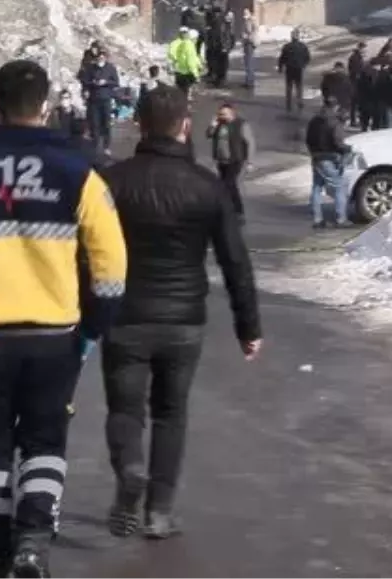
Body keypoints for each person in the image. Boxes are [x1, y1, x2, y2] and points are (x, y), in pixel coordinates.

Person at [0, 59, 127, 579]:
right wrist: (92, 328)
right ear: (46, 105)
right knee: (44, 441)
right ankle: (34, 542)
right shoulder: (78, 172)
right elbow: (111, 263)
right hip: (53, 335)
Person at [101, 84, 261, 540]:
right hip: (184, 319)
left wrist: (84, 310)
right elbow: (235, 260)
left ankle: (130, 468)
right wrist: (248, 326)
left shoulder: (112, 182)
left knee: (125, 409)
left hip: (124, 315)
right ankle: (159, 512)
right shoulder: (207, 187)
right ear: (185, 126)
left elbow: (85, 251)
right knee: (171, 413)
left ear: (139, 124)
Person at [206, 102, 256, 223]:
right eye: (220, 114)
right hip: (221, 160)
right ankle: (227, 210)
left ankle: (238, 211)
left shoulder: (241, 124)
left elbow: (250, 143)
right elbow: (208, 135)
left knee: (229, 184)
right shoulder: (219, 123)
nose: (221, 116)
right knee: (224, 185)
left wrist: (250, 161)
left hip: (235, 159)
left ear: (231, 114)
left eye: (224, 114)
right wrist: (212, 125)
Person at [305, 100, 352, 228]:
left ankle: (317, 218)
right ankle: (341, 218)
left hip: (316, 158)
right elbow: (337, 142)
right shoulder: (334, 123)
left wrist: (313, 152)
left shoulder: (314, 121)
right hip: (329, 158)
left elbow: (308, 140)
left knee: (316, 187)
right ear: (335, 107)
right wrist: (347, 149)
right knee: (339, 186)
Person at [78, 48, 120, 154]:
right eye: (99, 57)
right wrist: (90, 85)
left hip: (106, 99)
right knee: (95, 124)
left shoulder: (111, 68)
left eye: (103, 56)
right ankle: (95, 145)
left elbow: (116, 82)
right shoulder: (91, 68)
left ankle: (106, 146)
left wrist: (106, 82)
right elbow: (85, 82)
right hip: (94, 100)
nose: (101, 58)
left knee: (106, 123)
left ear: (105, 57)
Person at [277, 29, 311, 113]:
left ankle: (288, 104)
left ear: (291, 37)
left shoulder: (287, 46)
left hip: (289, 69)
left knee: (289, 87)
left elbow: (282, 58)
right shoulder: (303, 46)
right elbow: (307, 57)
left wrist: (280, 67)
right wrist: (303, 65)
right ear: (298, 36)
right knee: (299, 86)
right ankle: (299, 102)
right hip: (298, 69)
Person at [168, 27, 202, 97]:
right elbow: (191, 61)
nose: (197, 40)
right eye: (196, 38)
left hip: (179, 71)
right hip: (186, 73)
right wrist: (196, 75)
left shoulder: (183, 43)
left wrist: (199, 64)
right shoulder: (189, 45)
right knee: (184, 93)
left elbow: (193, 58)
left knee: (180, 92)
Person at [347, 42, 367, 126]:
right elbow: (355, 71)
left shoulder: (358, 57)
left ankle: (355, 120)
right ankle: (354, 120)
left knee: (356, 104)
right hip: (355, 83)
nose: (365, 51)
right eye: (363, 49)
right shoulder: (355, 58)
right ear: (360, 48)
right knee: (355, 103)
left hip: (356, 82)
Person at [356, 60, 379, 132]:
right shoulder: (375, 74)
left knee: (364, 119)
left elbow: (358, 89)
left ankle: (364, 130)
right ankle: (374, 130)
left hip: (363, 101)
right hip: (372, 101)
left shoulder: (360, 77)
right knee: (375, 119)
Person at [240, 7, 258, 89]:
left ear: (250, 13)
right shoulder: (247, 21)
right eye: (244, 12)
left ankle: (250, 82)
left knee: (249, 63)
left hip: (250, 44)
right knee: (247, 63)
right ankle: (248, 81)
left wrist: (247, 36)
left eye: (246, 12)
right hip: (247, 44)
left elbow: (253, 32)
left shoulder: (251, 21)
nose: (244, 14)